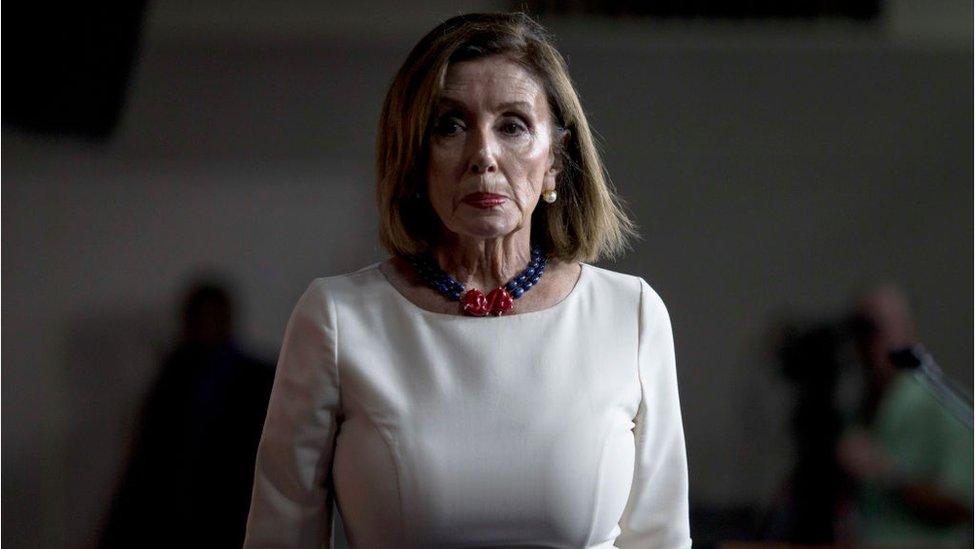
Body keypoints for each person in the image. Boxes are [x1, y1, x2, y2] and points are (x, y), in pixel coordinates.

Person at [244, 12, 691, 548]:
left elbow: (662, 539)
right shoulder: (338, 319)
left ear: (555, 162)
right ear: (413, 159)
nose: (484, 155)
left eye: (513, 125)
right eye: (450, 126)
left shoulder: (631, 313)